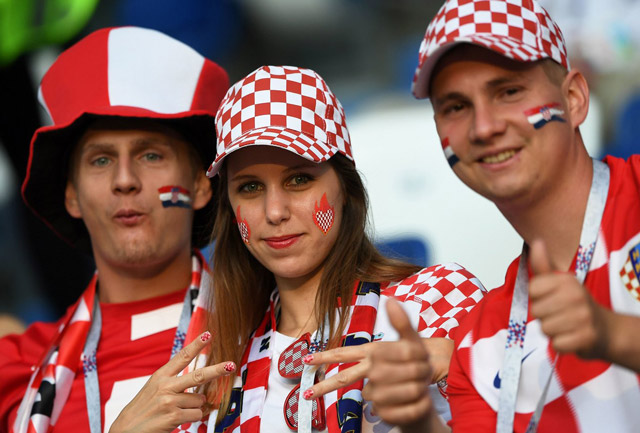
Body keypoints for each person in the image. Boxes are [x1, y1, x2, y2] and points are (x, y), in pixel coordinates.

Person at [365, 0, 640, 432]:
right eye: (456, 106)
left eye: (508, 92)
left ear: (574, 99)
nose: (484, 127)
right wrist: (419, 422)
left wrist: (614, 335)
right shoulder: (479, 341)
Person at [200, 65, 486, 433]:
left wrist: (456, 371)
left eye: (298, 179)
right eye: (250, 187)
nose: (274, 212)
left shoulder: (440, 299)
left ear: (347, 189)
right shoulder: (217, 361)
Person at [0, 26, 236, 433]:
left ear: (201, 184)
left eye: (151, 155)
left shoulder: (277, 328)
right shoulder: (18, 367)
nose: (124, 180)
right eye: (101, 160)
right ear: (71, 196)